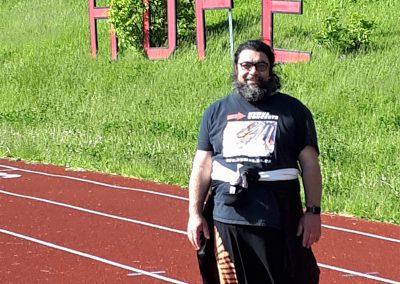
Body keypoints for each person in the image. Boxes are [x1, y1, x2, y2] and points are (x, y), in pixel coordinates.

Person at [187, 39, 322, 284]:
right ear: (236, 68)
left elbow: (310, 165)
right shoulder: (215, 111)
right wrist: (194, 213)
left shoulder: (294, 111)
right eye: (246, 65)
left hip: (279, 218)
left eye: (261, 66)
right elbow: (202, 166)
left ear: (271, 70)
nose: (253, 72)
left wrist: (313, 211)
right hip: (228, 219)